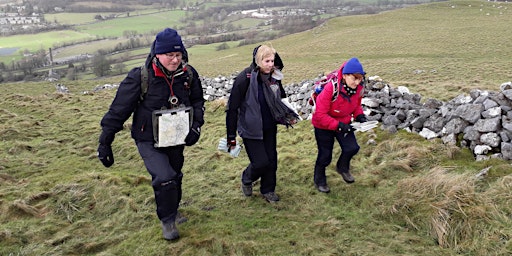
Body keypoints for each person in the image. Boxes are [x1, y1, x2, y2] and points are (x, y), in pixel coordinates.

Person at [97, 28, 205, 241]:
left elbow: (198, 101)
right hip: (147, 138)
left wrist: (196, 126)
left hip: (176, 136)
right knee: (164, 178)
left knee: (175, 175)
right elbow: (119, 110)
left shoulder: (189, 74)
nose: (175, 60)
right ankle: (167, 221)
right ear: (157, 54)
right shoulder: (140, 77)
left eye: (178, 55)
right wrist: (105, 142)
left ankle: (173, 210)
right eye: (169, 55)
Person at [225, 44, 299, 203]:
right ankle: (247, 178)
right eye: (267, 61)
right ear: (258, 60)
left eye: (272, 61)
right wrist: (231, 136)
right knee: (260, 162)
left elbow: (281, 98)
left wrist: (288, 116)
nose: (271, 64)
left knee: (272, 161)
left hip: (269, 127)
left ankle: (268, 190)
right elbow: (232, 108)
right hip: (250, 129)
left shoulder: (274, 77)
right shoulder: (244, 79)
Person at [311, 57, 367, 193]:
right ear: (346, 75)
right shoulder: (331, 88)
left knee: (352, 148)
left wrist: (359, 115)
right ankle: (319, 180)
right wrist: (339, 126)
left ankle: (342, 167)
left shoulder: (358, 88)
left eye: (360, 79)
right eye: (354, 78)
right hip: (323, 125)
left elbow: (356, 105)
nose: (357, 82)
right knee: (325, 156)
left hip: (344, 121)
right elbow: (320, 114)